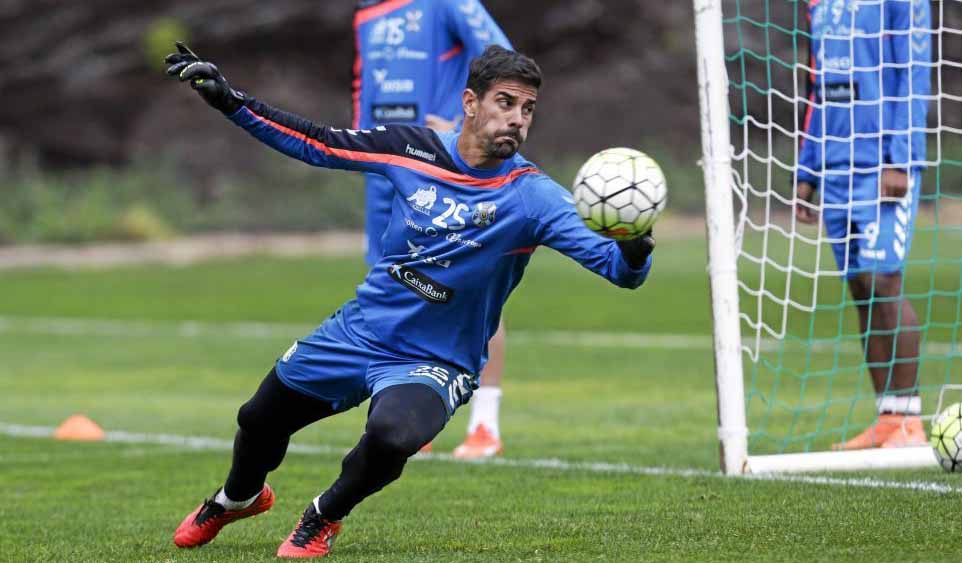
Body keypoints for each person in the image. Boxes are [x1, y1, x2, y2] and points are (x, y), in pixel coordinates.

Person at [165, 43, 655, 558]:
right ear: (470, 103)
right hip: (360, 332)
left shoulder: (533, 198)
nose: (517, 119)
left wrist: (634, 247)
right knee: (259, 419)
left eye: (528, 109)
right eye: (505, 103)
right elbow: (317, 142)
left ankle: (324, 515)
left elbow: (619, 271)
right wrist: (232, 102)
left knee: (392, 436)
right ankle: (237, 498)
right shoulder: (410, 149)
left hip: (436, 360)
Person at [353, 0, 514, 459]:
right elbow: (365, 86)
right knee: (397, 288)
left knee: (472, 287)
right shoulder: (366, 12)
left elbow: (503, 61)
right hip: (387, 169)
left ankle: (484, 426)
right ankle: (410, 416)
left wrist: (465, 125)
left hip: (444, 165)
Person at [795, 0, 932, 449]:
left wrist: (901, 157)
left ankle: (909, 420)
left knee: (884, 279)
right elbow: (818, 88)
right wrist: (807, 171)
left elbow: (913, 73)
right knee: (861, 288)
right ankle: (888, 418)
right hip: (836, 165)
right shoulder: (817, 4)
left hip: (881, 163)